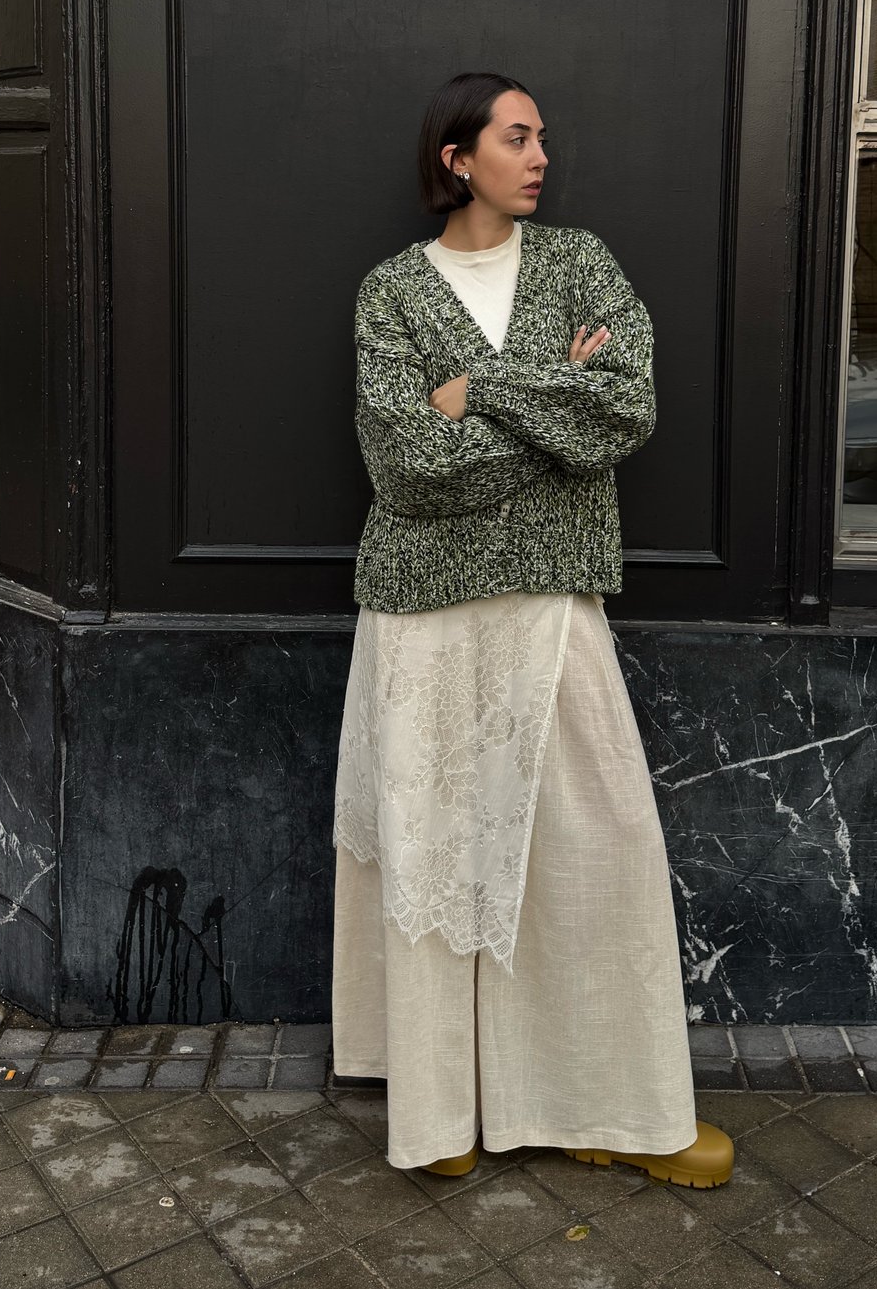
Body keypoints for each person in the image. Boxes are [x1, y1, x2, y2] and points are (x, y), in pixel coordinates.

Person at [332, 71, 734, 1188]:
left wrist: (478, 390)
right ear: (459, 158)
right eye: (518, 137)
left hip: (553, 592)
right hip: (418, 605)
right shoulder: (390, 293)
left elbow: (623, 410)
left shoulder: (581, 264)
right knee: (434, 845)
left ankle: (615, 1103)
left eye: (542, 136)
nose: (541, 153)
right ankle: (442, 1111)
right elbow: (404, 465)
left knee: (591, 847)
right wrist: (544, 397)